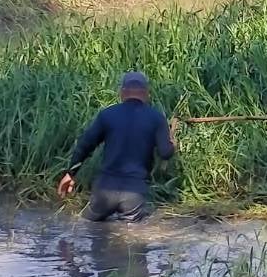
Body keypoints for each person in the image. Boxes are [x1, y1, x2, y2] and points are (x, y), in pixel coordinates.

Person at [58, 71, 177, 221]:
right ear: (147, 93)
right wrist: (173, 144)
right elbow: (165, 152)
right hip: (134, 192)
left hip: (104, 190)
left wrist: (70, 173)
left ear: (122, 92)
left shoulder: (107, 115)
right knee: (131, 232)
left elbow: (85, 145)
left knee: (86, 224)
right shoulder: (156, 118)